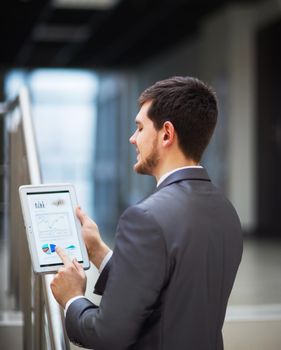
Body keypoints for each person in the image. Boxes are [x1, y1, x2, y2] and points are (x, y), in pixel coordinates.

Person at [51, 76, 243, 350]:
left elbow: (108, 335)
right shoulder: (226, 212)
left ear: (166, 133)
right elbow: (171, 292)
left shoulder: (144, 218)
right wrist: (99, 253)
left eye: (139, 128)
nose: (132, 139)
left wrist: (72, 298)